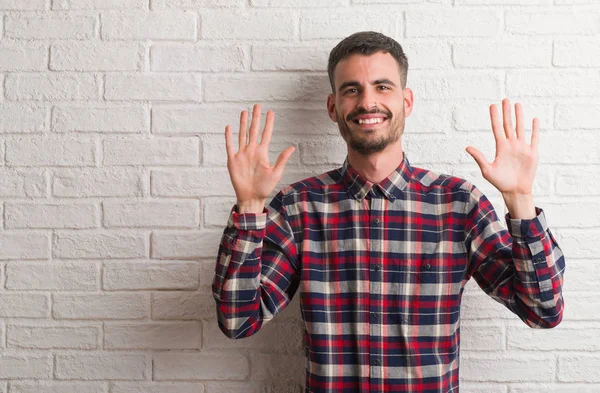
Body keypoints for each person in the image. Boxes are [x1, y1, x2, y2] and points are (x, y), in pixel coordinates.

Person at [212, 31, 565, 393]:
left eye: (383, 86)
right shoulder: (298, 207)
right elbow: (238, 320)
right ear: (333, 107)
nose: (368, 102)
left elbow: (542, 310)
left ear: (406, 101)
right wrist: (251, 208)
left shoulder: (460, 204)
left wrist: (520, 198)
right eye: (352, 89)